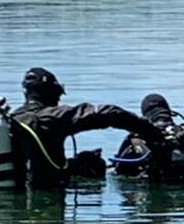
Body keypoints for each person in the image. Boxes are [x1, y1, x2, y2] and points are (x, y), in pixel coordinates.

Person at [9, 67, 165, 190]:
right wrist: (152, 132)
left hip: (19, 192)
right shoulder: (52, 117)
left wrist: (77, 165)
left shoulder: (13, 119)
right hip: (48, 198)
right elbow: (109, 114)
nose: (59, 99)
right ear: (49, 92)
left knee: (87, 162)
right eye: (58, 93)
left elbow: (36, 162)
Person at [113, 93, 184, 184]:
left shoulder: (135, 139)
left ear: (145, 114)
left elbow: (118, 172)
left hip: (152, 189)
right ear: (168, 110)